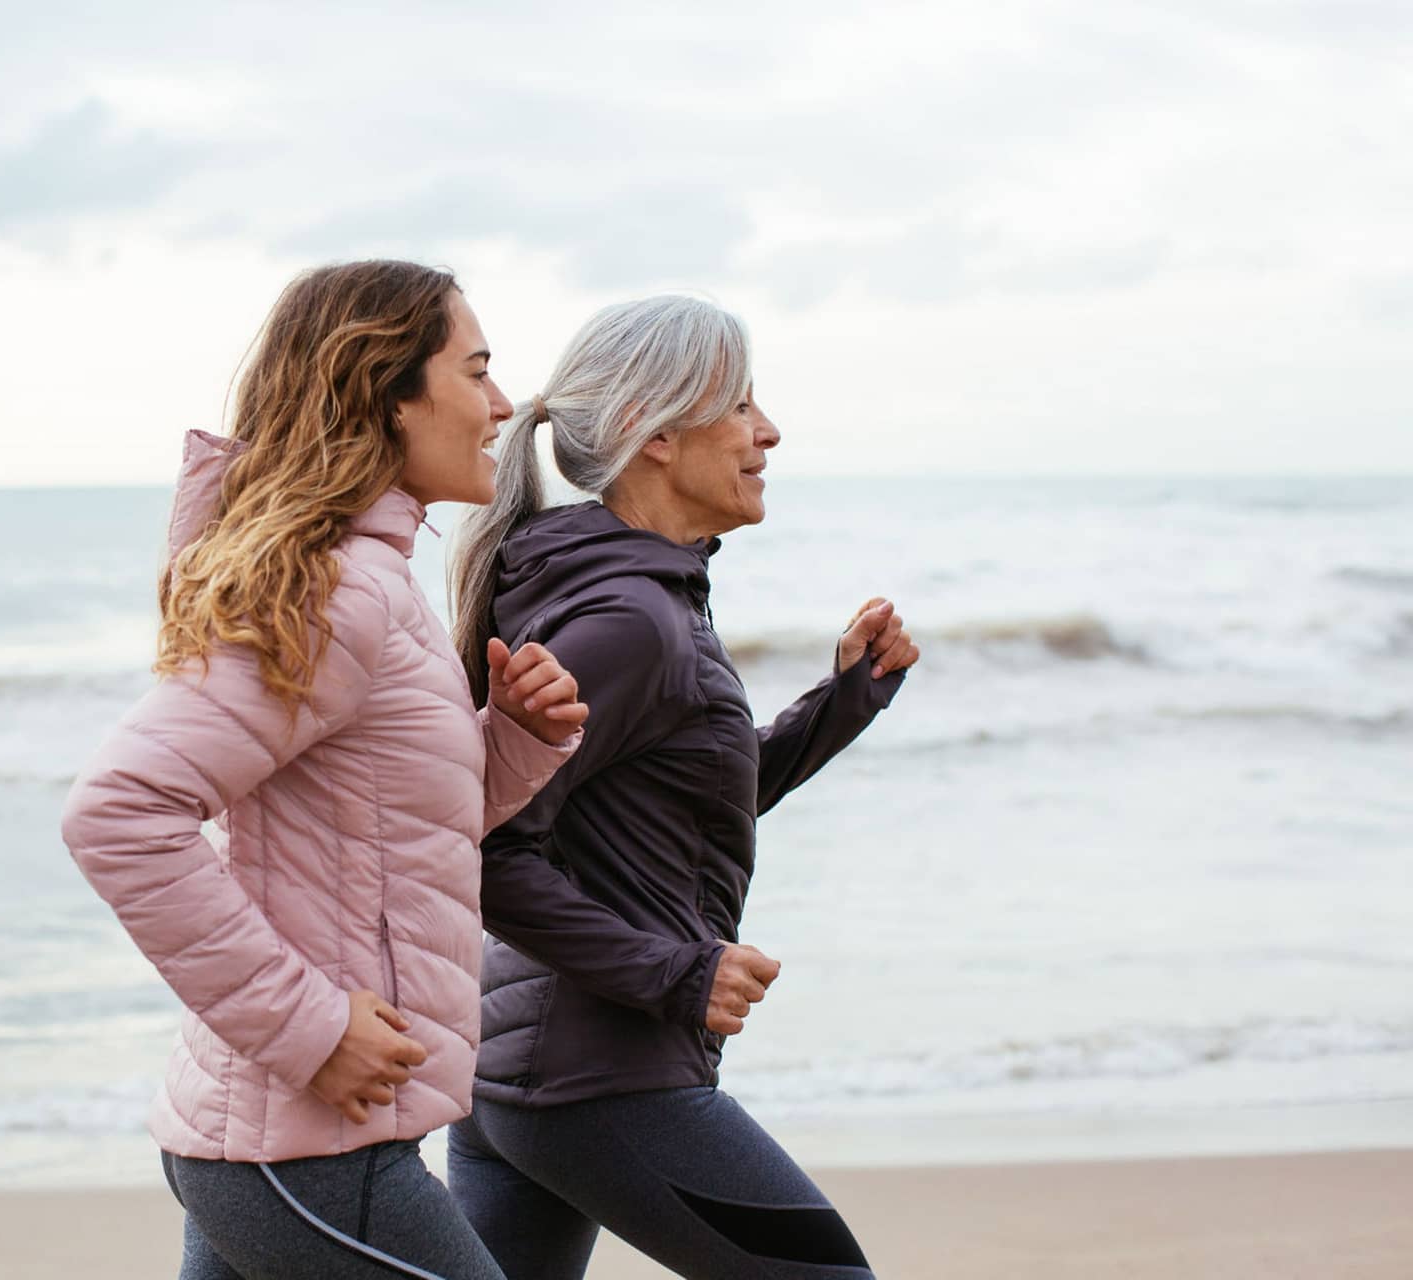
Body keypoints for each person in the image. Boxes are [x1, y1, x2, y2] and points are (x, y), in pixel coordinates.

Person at [60, 260, 590, 1280]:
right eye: (474, 371)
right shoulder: (338, 591)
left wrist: (510, 740)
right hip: (303, 1146)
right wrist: (304, 1024)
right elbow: (119, 814)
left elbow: (388, 828)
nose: (501, 403)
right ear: (385, 396)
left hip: (294, 1140)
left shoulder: (372, 580)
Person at [443, 296, 920, 1279]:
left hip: (529, 1071)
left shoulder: (631, 594)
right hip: (597, 1074)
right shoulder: (628, 620)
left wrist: (841, 702)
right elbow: (480, 850)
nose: (767, 430)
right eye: (738, 403)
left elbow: (672, 805)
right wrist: (677, 972)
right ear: (651, 434)